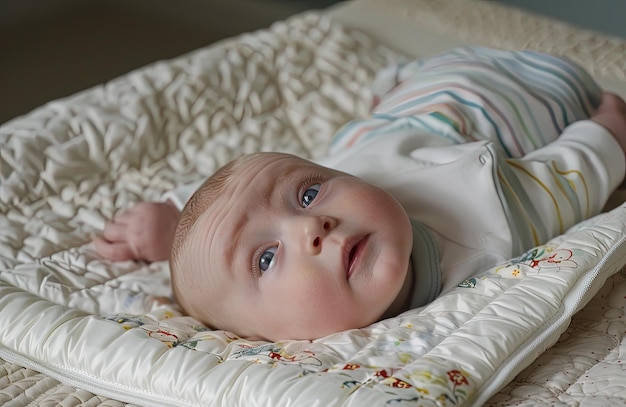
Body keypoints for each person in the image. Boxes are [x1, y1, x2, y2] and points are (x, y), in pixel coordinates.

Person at [94, 47, 626, 341]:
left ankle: (400, 85)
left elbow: (571, 172)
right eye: (264, 257)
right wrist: (178, 237)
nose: (309, 225)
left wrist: (607, 127)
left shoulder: (494, 212)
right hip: (408, 119)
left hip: (517, 91)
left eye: (308, 195)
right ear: (268, 339)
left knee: (370, 128)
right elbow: (237, 207)